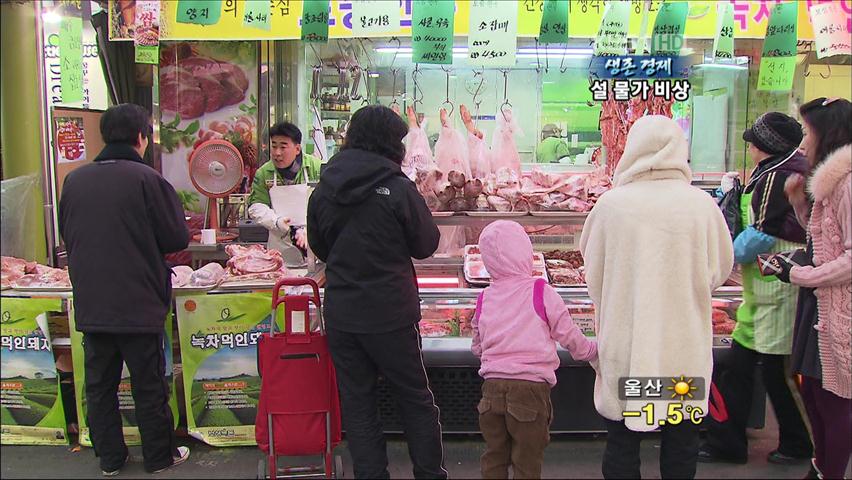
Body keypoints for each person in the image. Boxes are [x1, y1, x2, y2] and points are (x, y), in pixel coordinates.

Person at [579, 115, 734, 479]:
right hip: (681, 355)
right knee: (681, 441)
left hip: (628, 352)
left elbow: (592, 273)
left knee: (622, 440)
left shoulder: (611, 206)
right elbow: (719, 270)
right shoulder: (700, 206)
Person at [306, 105, 446, 479]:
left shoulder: (324, 189)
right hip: (391, 315)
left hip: (344, 315)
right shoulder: (397, 188)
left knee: (358, 402)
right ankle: (430, 475)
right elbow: (427, 244)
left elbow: (319, 246)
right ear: (387, 142)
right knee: (415, 399)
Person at [58, 104, 190, 475]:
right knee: (148, 384)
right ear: (141, 137)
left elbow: (68, 232)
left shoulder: (75, 181)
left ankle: (111, 460)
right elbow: (176, 237)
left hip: (93, 301)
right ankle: (159, 457)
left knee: (100, 386)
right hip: (139, 302)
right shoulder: (147, 180)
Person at [700, 112, 813, 465]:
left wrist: (723, 258)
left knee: (778, 375)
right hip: (764, 293)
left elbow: (762, 233)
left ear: (762, 146)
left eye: (752, 142)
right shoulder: (784, 169)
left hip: (777, 292)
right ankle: (730, 443)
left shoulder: (777, 174)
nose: (748, 147)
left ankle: (802, 444)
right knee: (741, 369)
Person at [472, 220, 597, 479]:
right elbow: (568, 333)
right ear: (526, 253)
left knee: (494, 455)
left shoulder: (484, 296)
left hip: (491, 388)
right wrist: (589, 351)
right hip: (530, 391)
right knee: (526, 461)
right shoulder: (541, 290)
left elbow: (477, 345)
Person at [778, 97, 852, 480]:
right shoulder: (829, 183)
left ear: (829, 134)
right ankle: (820, 466)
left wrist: (801, 276)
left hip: (838, 310)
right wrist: (799, 205)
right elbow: (825, 243)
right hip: (818, 307)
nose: (804, 142)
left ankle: (830, 472)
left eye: (808, 132)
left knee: (834, 401)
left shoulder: (848, 185)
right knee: (813, 393)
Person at [248, 121, 322, 255]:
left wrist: (312, 227)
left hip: (313, 244)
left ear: (297, 149)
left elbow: (327, 203)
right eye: (274, 146)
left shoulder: (316, 167)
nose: (277, 153)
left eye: (283, 147)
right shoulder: (264, 173)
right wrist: (276, 222)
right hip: (279, 251)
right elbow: (256, 206)